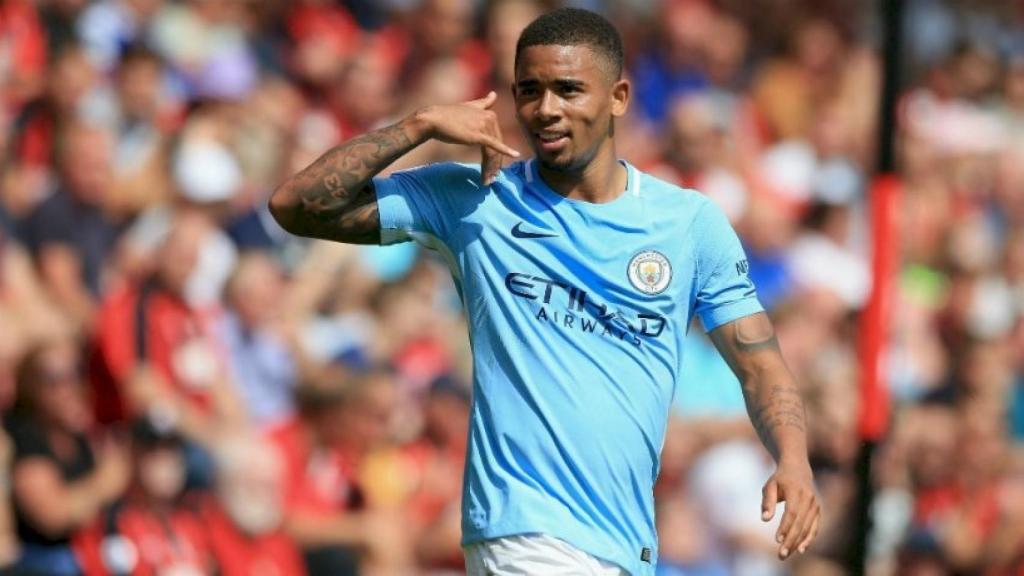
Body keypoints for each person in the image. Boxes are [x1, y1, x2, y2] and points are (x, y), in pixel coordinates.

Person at [269, 8, 821, 575]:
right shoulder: (475, 201)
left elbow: (758, 362)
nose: (546, 109)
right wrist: (419, 126)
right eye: (529, 90)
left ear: (619, 97)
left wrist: (794, 460)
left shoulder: (687, 224)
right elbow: (296, 205)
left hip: (627, 545)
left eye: (568, 89)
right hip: (523, 536)